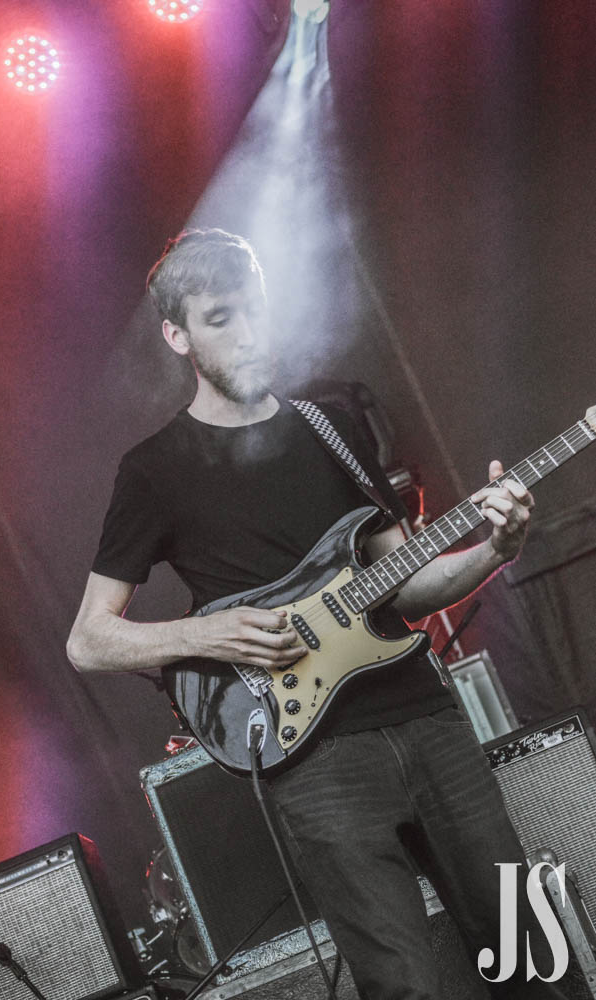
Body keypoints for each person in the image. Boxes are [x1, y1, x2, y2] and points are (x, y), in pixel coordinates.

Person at [67, 228, 568, 999]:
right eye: (220, 318)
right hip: (316, 760)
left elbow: (406, 581)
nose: (248, 332)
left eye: (255, 309)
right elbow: (89, 639)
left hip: (425, 718)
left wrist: (496, 549)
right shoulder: (154, 471)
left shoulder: (328, 425)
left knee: (525, 947)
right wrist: (205, 632)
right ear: (176, 335)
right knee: (403, 982)